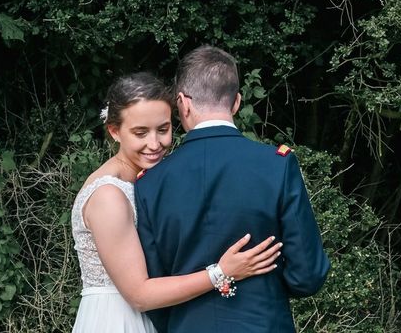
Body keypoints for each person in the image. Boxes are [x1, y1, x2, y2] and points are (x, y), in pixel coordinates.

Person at [135, 46, 331, 333]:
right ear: (237, 102)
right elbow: (308, 276)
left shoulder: (150, 182)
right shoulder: (276, 165)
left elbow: (153, 290)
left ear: (182, 103)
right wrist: (264, 291)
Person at [71, 72, 283, 332]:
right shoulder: (108, 196)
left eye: (163, 129)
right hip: (118, 319)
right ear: (114, 131)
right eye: (140, 133)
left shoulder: (149, 182)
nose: (155, 143)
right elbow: (139, 294)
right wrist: (221, 272)